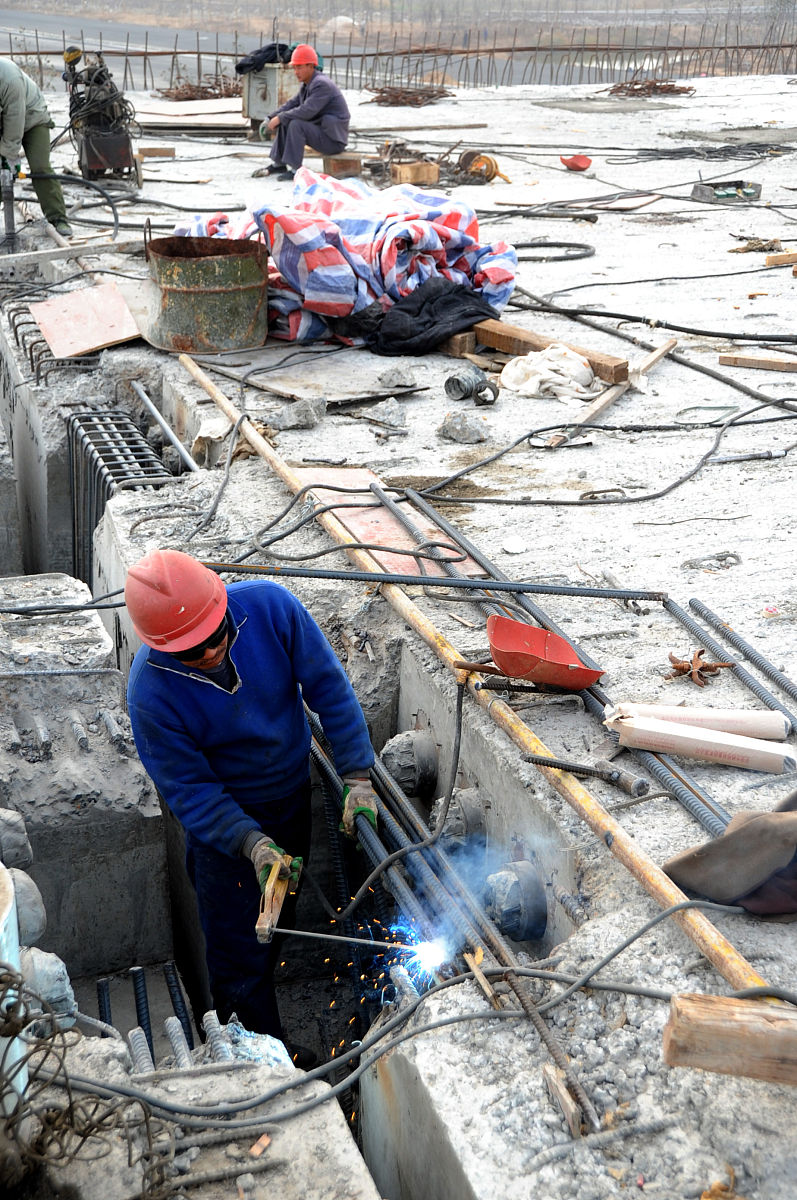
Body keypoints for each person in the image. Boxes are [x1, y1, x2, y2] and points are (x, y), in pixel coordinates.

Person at [125, 549, 378, 1045]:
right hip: (226, 836)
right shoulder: (150, 693)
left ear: (222, 609)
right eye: (191, 652)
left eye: (215, 639)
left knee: (278, 930)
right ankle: (259, 1062)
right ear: (162, 648)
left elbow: (328, 686)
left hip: (289, 797)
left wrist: (358, 774)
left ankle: (270, 1042)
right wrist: (252, 845)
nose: (210, 654)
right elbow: (191, 790)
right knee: (239, 959)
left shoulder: (271, 608)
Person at [0, 59, 71, 237]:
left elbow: (15, 121)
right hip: (4, 119)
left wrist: (8, 155)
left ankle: (58, 218)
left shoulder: (9, 78)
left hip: (32, 118)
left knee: (40, 166)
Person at [264, 43, 350, 181]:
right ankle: (279, 163)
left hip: (333, 140)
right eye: (294, 67)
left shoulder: (321, 84)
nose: (296, 71)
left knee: (296, 124)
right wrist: (271, 117)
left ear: (311, 66)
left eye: (299, 67)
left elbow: (306, 111)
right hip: (323, 132)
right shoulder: (308, 83)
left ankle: (294, 169)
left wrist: (279, 118)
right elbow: (293, 103)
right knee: (287, 119)